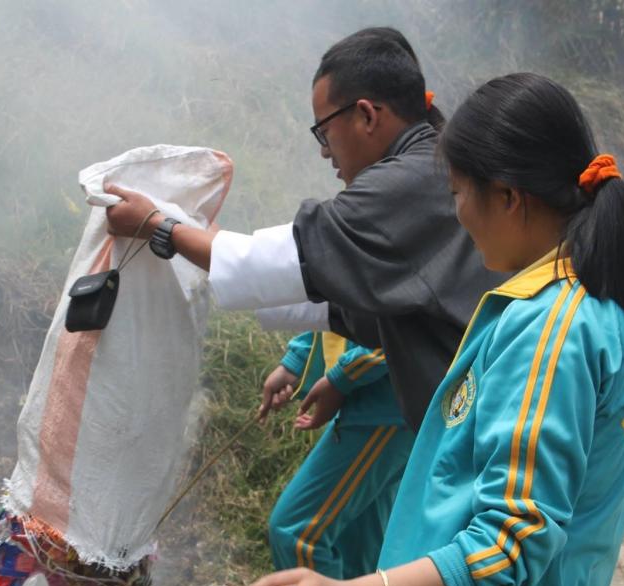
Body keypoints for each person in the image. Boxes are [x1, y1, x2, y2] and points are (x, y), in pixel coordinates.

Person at [238, 73, 624, 586]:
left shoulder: (553, 330)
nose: (456, 216)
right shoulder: (607, 308)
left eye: (459, 192)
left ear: (509, 196)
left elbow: (515, 535)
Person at [104, 27, 502, 433]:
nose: (324, 150)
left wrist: (159, 226)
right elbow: (340, 299)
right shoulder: (430, 167)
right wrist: (206, 242)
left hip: (481, 426)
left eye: (324, 130)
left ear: (366, 114)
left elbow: (284, 261)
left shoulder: (401, 184)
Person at [254, 330, 414, 586]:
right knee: (356, 540)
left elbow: (404, 322)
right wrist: (297, 360)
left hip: (387, 402)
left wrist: (341, 377)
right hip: (374, 401)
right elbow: (338, 294)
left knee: (298, 531)